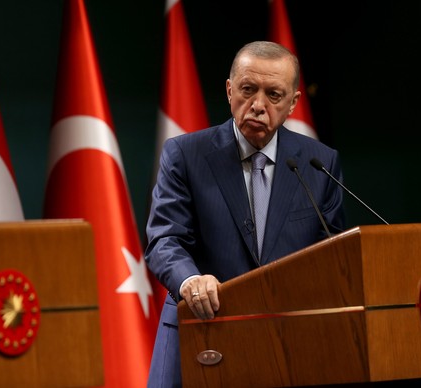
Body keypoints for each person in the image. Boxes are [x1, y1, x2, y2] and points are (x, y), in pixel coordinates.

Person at [145, 40, 346, 387]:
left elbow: (333, 256)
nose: (257, 105)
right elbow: (165, 238)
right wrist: (191, 281)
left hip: (287, 347)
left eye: (274, 95)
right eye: (248, 90)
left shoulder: (318, 164)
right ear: (229, 90)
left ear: (293, 103)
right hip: (199, 335)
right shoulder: (185, 154)